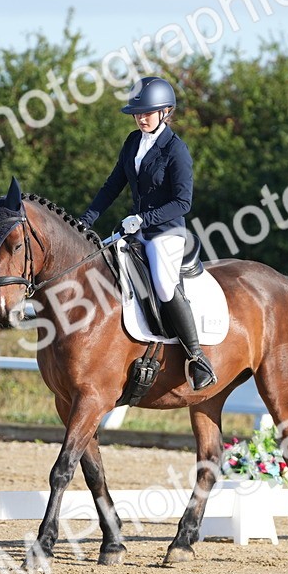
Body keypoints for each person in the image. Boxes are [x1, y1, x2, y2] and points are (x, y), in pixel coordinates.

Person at [80, 76, 217, 391]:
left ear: (166, 111)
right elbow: (113, 185)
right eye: (137, 113)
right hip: (134, 230)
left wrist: (143, 218)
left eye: (148, 112)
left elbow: (183, 202)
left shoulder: (176, 150)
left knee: (165, 286)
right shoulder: (132, 142)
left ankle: (197, 358)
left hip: (165, 234)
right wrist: (85, 220)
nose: (141, 118)